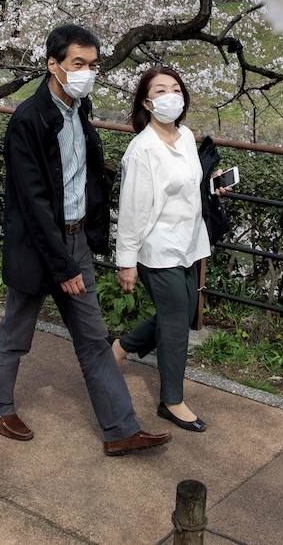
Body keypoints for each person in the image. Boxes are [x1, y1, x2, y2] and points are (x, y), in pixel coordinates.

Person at [0, 24, 170, 457]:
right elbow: (33, 202)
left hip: (75, 239)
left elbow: (81, 179)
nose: (86, 72)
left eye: (92, 65)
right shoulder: (29, 120)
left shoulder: (79, 111)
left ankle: (121, 429)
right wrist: (63, 267)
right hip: (40, 246)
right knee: (17, 329)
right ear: (54, 65)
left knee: (93, 338)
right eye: (77, 64)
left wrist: (87, 239)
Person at [112, 66, 222, 434]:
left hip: (189, 242)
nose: (171, 95)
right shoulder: (142, 149)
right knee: (176, 323)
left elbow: (190, 186)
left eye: (176, 88)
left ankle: (119, 349)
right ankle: (171, 400)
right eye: (161, 90)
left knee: (183, 311)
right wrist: (126, 262)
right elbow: (132, 210)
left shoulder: (187, 135)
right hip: (157, 248)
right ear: (147, 101)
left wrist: (212, 187)